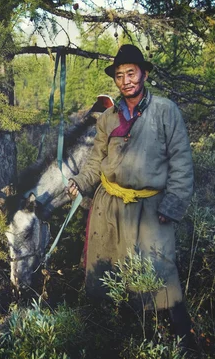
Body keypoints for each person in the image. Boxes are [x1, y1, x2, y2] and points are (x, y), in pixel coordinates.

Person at [66, 44, 195, 346]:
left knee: (161, 272)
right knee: (109, 273)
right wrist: (80, 182)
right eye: (120, 75)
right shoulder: (107, 119)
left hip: (151, 208)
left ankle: (182, 339)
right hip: (109, 207)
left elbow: (181, 161)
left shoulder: (165, 111)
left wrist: (173, 203)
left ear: (144, 74)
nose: (126, 80)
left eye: (131, 73)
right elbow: (96, 162)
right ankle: (118, 337)